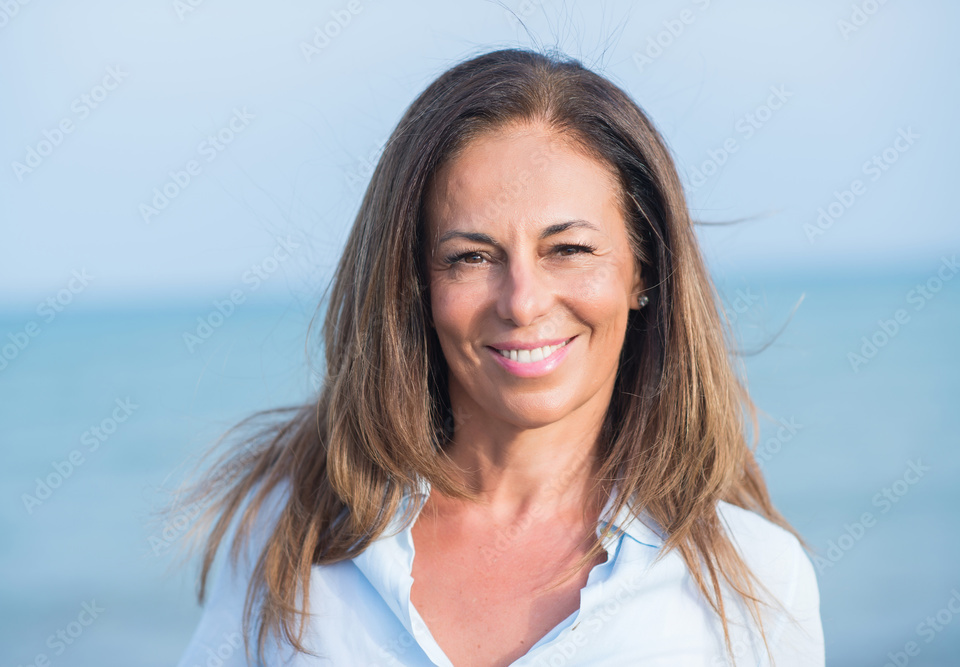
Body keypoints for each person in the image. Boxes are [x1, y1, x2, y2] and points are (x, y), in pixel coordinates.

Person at [174, 48, 824, 666]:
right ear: (416, 284)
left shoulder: (756, 580)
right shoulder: (289, 538)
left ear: (642, 270)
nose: (522, 301)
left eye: (568, 248)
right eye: (471, 256)